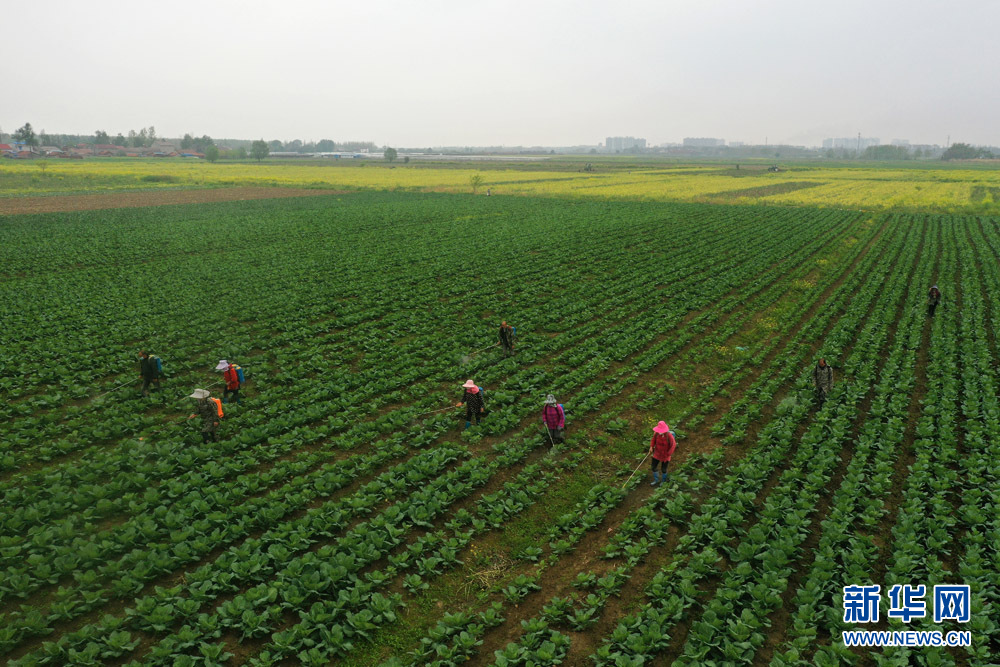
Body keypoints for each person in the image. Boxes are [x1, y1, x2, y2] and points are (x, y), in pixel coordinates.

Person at [649, 421, 676, 486]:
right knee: (653, 467)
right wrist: (651, 447)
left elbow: (673, 445)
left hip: (665, 455)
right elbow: (653, 440)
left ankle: (663, 481)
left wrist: (668, 454)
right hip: (657, 453)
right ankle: (656, 480)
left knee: (664, 469)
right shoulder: (656, 434)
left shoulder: (669, 436)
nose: (660, 432)